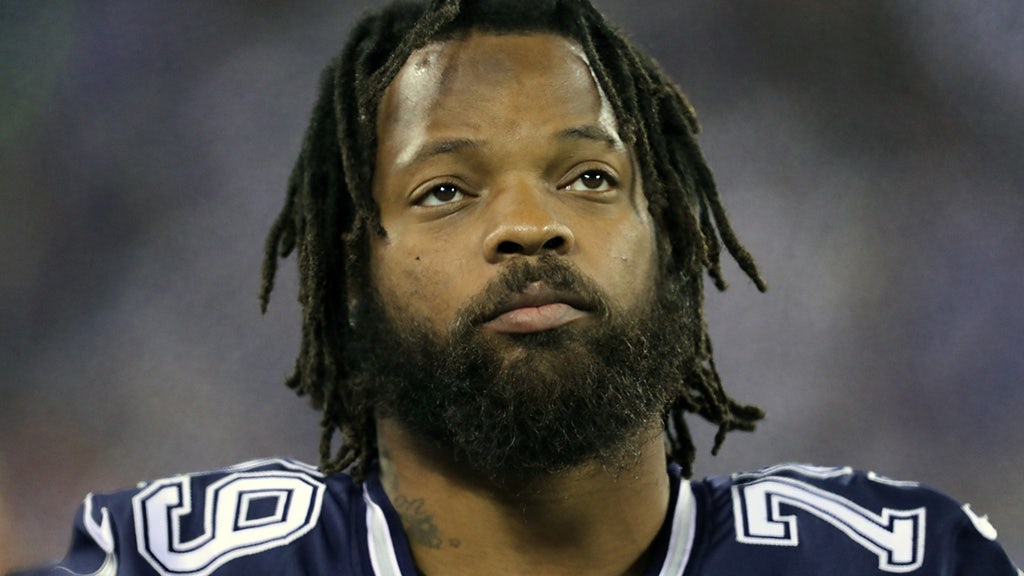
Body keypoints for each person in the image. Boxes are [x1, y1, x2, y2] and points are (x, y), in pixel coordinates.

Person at [14, 1, 1020, 575]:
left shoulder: (897, 560)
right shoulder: (179, 564)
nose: (529, 227)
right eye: (445, 188)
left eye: (590, 177)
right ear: (345, 291)